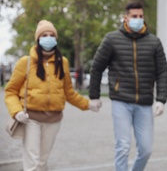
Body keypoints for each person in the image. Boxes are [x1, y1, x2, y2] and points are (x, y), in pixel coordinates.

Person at [4, 20, 102, 171]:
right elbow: (10, 91)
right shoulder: (26, 62)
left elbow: (69, 93)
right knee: (33, 163)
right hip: (31, 119)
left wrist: (88, 104)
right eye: (44, 35)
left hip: (54, 120)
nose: (48, 38)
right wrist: (16, 111)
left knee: (42, 162)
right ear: (38, 39)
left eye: (51, 35)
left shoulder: (62, 62)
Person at [89, 1, 167, 171]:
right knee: (123, 147)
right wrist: (94, 96)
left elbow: (162, 71)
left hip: (145, 104)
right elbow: (96, 67)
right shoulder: (111, 39)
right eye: (134, 16)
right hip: (121, 101)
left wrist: (161, 99)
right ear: (125, 18)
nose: (138, 19)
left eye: (140, 16)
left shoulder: (154, 42)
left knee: (146, 150)